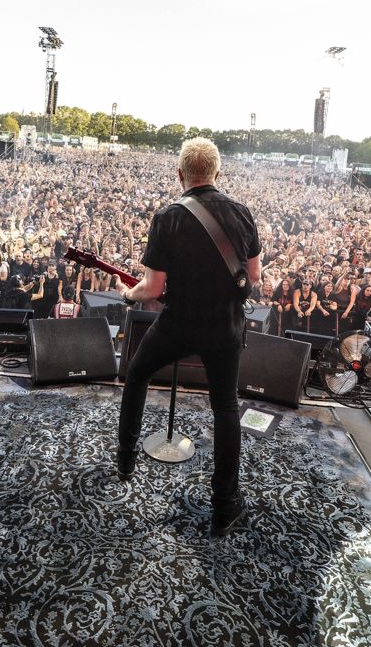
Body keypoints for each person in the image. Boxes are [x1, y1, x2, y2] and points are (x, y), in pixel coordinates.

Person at [116, 138, 260, 537]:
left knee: (138, 373)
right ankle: (225, 504)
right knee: (225, 407)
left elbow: (152, 287)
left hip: (179, 324)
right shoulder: (242, 213)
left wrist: (128, 294)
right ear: (218, 173)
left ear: (180, 174)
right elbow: (255, 277)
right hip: (226, 327)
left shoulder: (168, 217)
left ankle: (125, 459)